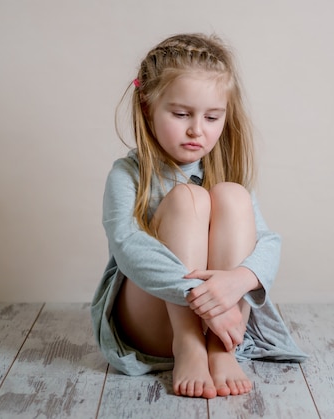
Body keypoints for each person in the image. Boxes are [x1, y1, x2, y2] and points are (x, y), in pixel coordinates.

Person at [91, 33, 306, 399]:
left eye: (211, 117)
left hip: (219, 320)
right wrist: (198, 294)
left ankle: (223, 349)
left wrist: (239, 279)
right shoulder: (126, 175)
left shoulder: (224, 173)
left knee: (232, 195)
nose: (197, 129)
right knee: (188, 199)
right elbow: (128, 246)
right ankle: (188, 344)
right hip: (153, 321)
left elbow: (268, 242)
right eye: (180, 114)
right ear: (147, 106)